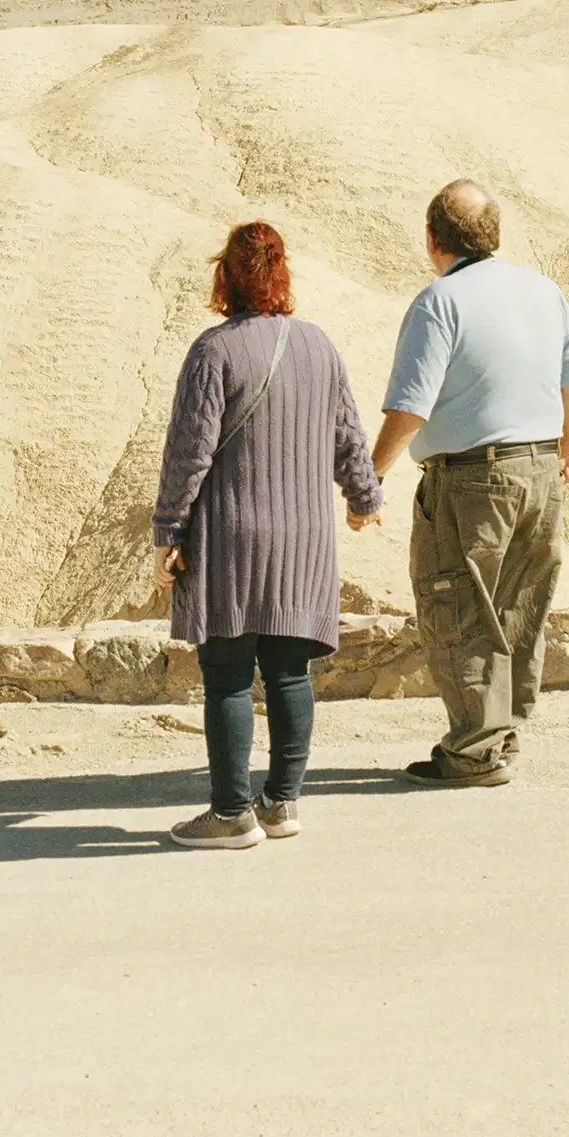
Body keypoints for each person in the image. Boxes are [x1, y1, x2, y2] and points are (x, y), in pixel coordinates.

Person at [153, 220, 382, 849]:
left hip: (232, 536)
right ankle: (281, 804)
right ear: (282, 276)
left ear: (225, 276)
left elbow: (189, 454)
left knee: (226, 672)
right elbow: (348, 437)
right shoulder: (319, 347)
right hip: (305, 539)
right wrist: (365, 497)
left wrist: (168, 530)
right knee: (288, 673)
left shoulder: (214, 351)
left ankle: (230, 813)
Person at [371, 179, 569, 787]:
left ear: (431, 239)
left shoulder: (440, 302)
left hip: (471, 478)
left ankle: (471, 751)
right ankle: (505, 731)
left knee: (458, 607)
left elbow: (411, 406)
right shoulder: (544, 292)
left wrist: (373, 474)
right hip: (542, 469)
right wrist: (565, 450)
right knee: (520, 602)